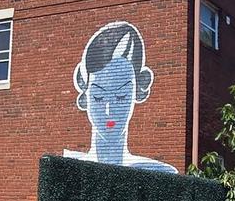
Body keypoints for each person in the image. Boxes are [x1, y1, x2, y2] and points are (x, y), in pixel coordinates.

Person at [65, 21, 176, 170]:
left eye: (121, 97)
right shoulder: (70, 168)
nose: (109, 110)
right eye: (98, 97)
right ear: (85, 94)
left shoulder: (160, 172)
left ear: (138, 90)